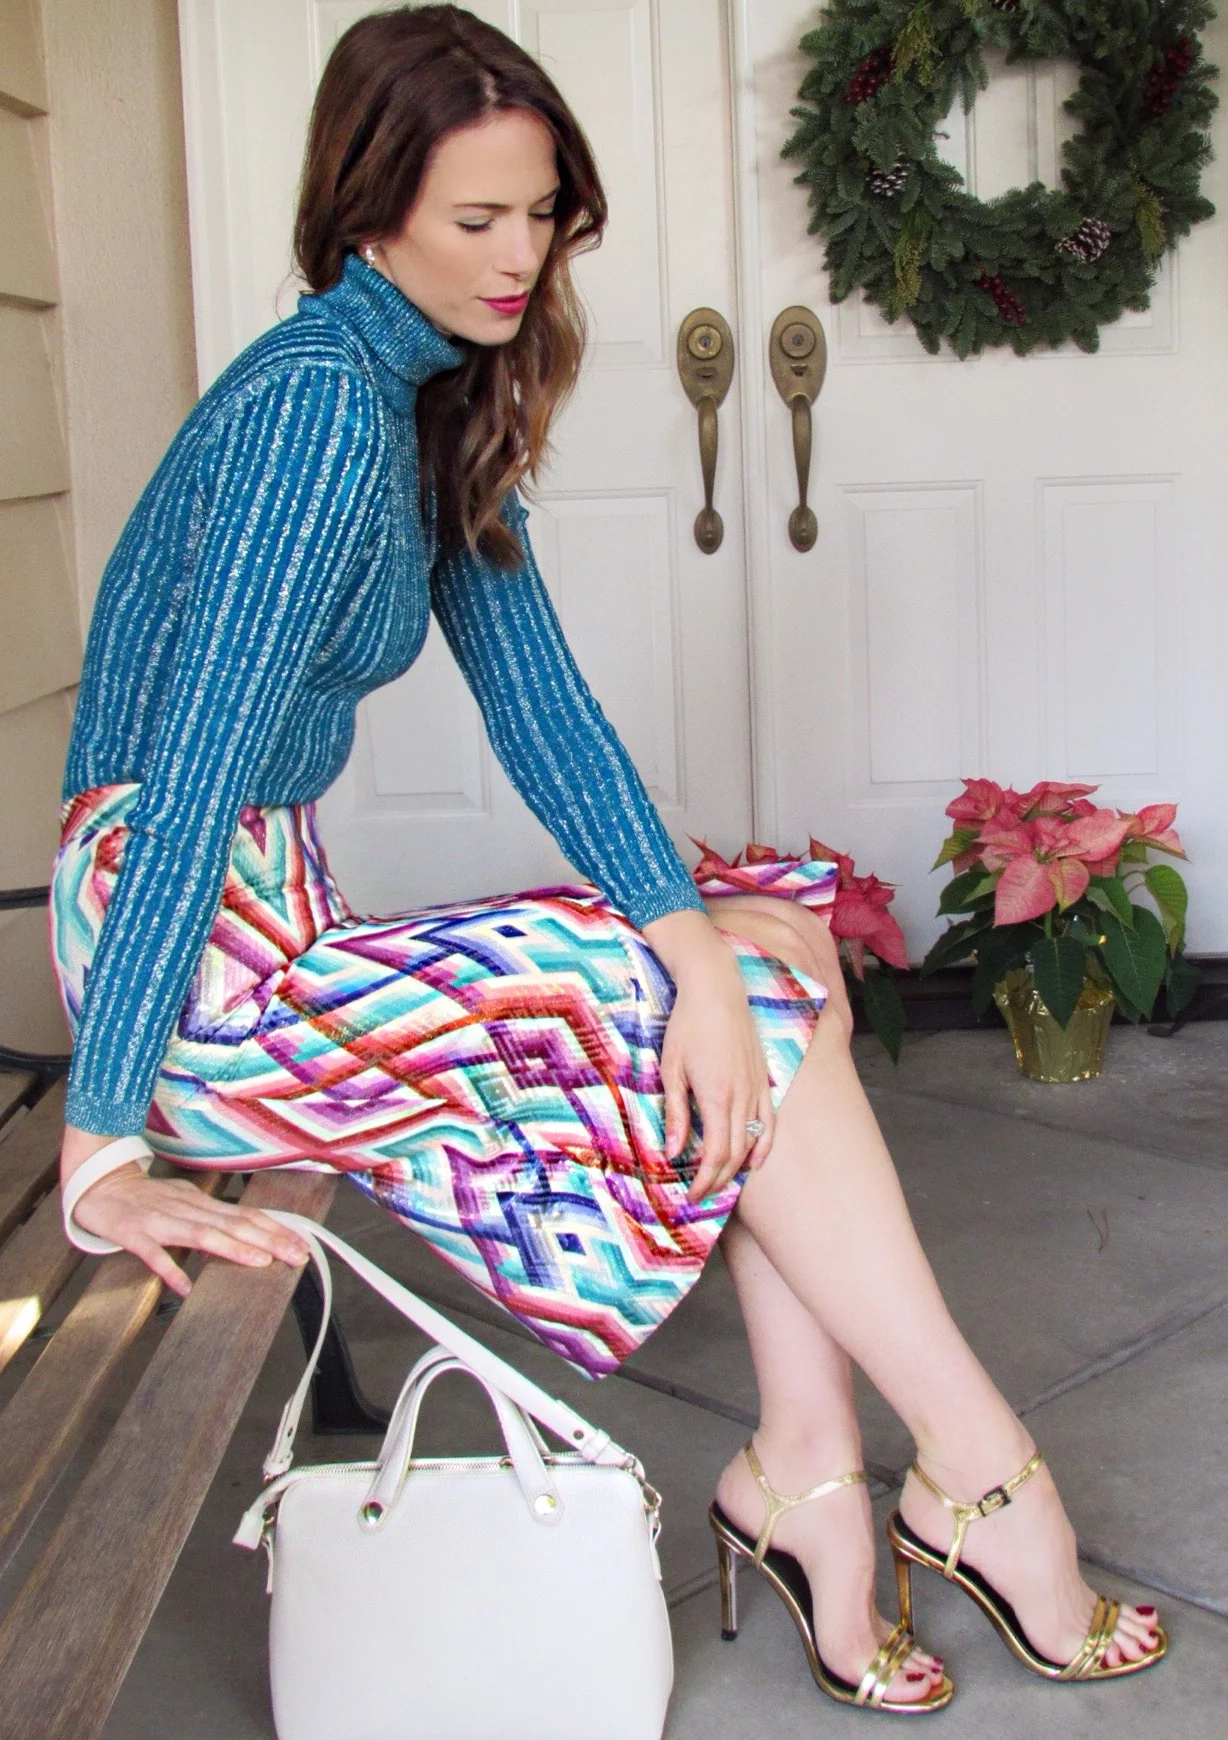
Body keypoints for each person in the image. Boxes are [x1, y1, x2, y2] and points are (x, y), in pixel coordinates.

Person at [50, 4, 1164, 1715]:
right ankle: (971, 1467)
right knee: (722, 999)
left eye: (543, 213)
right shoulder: (316, 410)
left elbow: (546, 713)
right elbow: (194, 775)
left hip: (265, 914)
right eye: (476, 218)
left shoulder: (422, 392)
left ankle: (809, 1471)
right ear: (367, 214)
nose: (521, 258)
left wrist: (695, 936)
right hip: (190, 952)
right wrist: (101, 1132)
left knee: (765, 951)